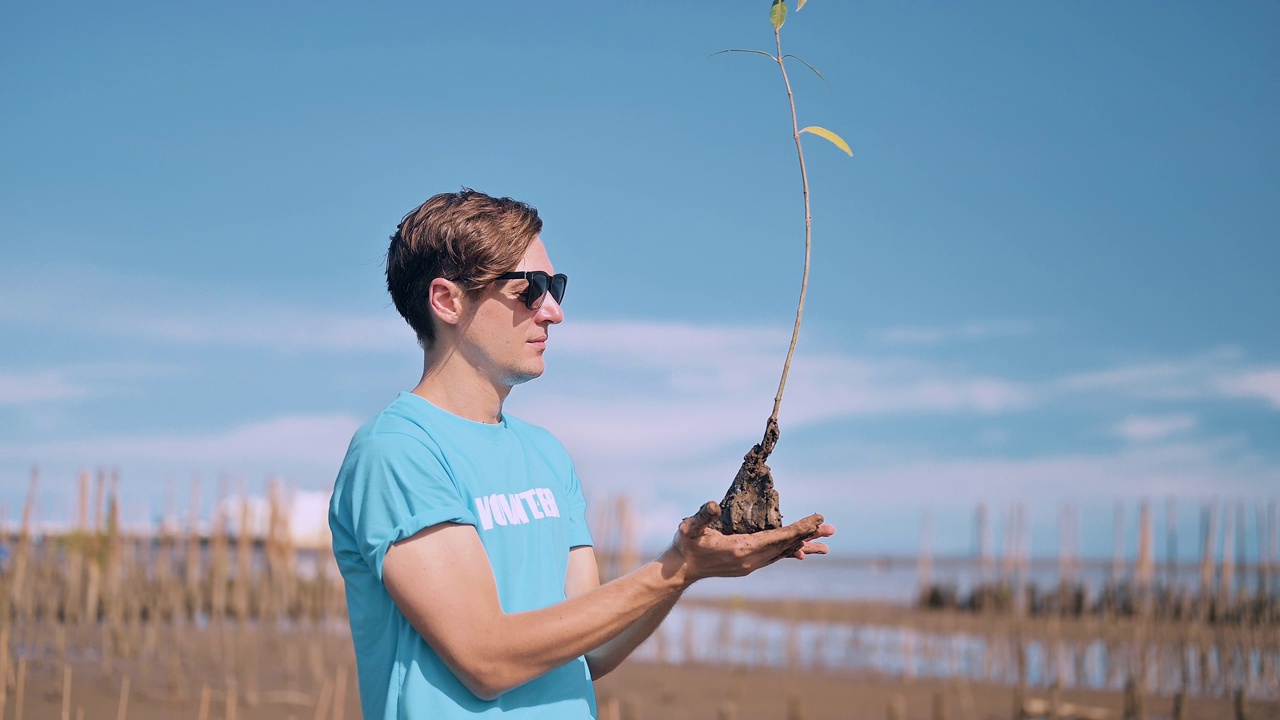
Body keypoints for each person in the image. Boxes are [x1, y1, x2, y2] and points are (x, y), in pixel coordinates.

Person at [329, 188, 835, 719]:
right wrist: (674, 567)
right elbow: (486, 659)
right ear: (447, 301)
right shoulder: (398, 451)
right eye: (533, 289)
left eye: (557, 287)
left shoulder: (546, 455)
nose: (554, 311)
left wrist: (693, 568)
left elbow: (591, 648)